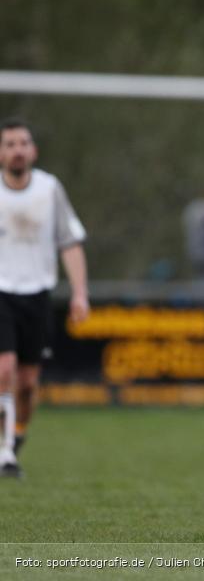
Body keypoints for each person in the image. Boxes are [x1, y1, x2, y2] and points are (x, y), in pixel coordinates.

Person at [0, 118, 89, 478]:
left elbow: (69, 242)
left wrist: (80, 293)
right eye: (9, 144)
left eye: (23, 143)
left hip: (37, 294)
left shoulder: (50, 189)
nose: (17, 149)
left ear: (33, 150)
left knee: (27, 383)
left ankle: (17, 435)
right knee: (4, 369)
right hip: (1, 291)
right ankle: (4, 452)